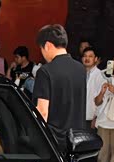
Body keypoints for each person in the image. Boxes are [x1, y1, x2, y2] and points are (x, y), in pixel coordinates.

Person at [33, 24, 86, 154]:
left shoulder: (45, 71)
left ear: (47, 45)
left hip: (53, 142)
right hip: (77, 141)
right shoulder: (80, 69)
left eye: (41, 48)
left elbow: (42, 112)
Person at [82, 46, 106, 129]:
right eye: (85, 56)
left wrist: (96, 117)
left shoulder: (100, 75)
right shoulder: (80, 74)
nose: (87, 58)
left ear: (96, 59)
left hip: (92, 119)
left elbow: (103, 99)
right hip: (79, 117)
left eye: (90, 56)